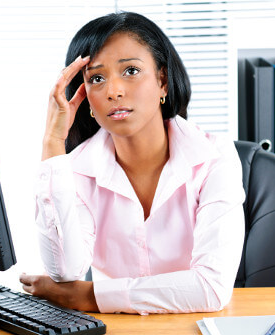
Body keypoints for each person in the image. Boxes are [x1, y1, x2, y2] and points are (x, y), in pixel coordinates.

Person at [20, 12, 245, 315]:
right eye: (97, 78)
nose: (114, 90)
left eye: (130, 71)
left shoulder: (214, 157)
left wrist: (89, 297)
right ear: (83, 96)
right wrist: (52, 142)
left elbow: (211, 288)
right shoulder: (74, 169)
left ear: (162, 81)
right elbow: (64, 272)